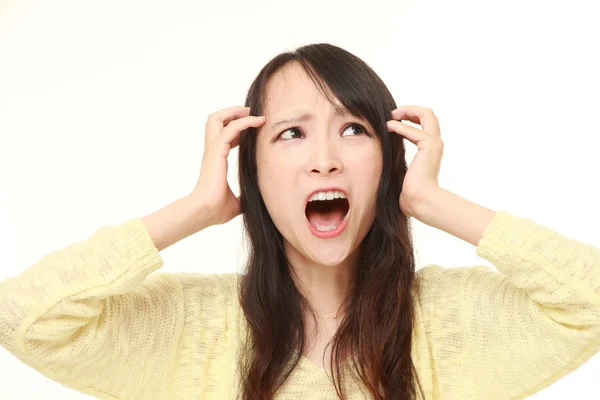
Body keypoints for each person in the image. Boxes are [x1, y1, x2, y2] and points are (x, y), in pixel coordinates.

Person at [1, 42, 599, 400]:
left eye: (353, 130)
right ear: (254, 172)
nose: (324, 160)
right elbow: (22, 319)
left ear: (387, 165)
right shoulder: (195, 328)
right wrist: (192, 211)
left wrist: (433, 202)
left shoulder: (448, 323)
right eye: (292, 133)